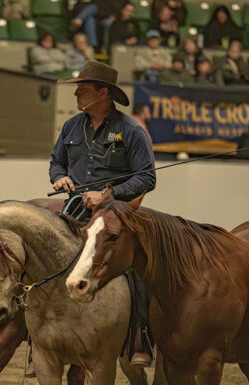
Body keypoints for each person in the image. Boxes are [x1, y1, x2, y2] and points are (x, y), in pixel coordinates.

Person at [51, 60, 156, 368]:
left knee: (135, 267)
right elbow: (56, 161)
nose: (77, 94)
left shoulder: (131, 130)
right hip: (75, 208)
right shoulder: (72, 126)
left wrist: (109, 194)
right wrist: (59, 177)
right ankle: (40, 338)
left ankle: (140, 336)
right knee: (45, 253)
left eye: (82, 89)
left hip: (118, 212)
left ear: (103, 93)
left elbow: (147, 177)